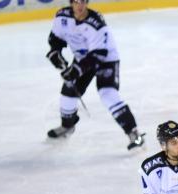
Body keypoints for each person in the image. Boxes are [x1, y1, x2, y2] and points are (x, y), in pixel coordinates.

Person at [45, 0, 144, 150]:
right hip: (83, 59)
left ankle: (134, 133)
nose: (80, 6)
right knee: (68, 93)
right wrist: (54, 52)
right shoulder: (62, 16)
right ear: (71, 3)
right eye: (76, 2)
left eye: (83, 2)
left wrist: (75, 71)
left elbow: (98, 54)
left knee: (107, 94)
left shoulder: (96, 22)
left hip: (106, 59)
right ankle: (67, 126)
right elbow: (56, 38)